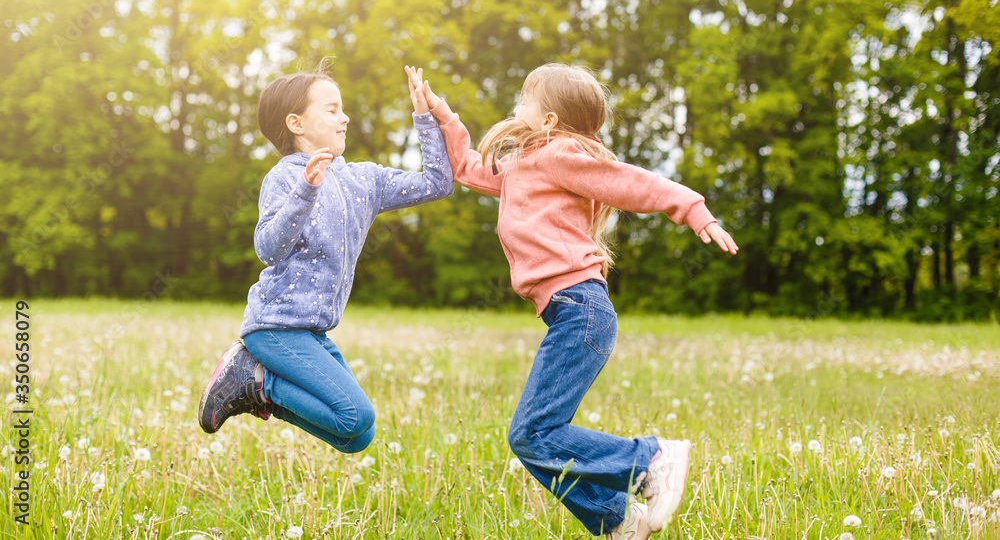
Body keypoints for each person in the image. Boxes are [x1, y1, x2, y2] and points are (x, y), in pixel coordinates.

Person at [405, 63, 738, 539]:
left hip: (581, 310)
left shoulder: (561, 155)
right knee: (533, 437)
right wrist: (436, 109)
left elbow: (630, 182)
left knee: (533, 435)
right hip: (570, 312)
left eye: (525, 98)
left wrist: (692, 209)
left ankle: (652, 459)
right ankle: (620, 521)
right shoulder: (523, 164)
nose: (517, 106)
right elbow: (465, 168)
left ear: (549, 121)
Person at [197, 63, 453, 454]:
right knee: (356, 416)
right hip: (275, 328)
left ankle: (256, 389)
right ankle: (258, 378)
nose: (344, 117)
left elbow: (438, 183)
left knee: (356, 437)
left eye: (342, 108)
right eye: (332, 109)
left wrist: (424, 115)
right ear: (296, 123)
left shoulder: (364, 180)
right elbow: (268, 248)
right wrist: (306, 191)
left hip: (314, 332)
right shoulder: (284, 178)